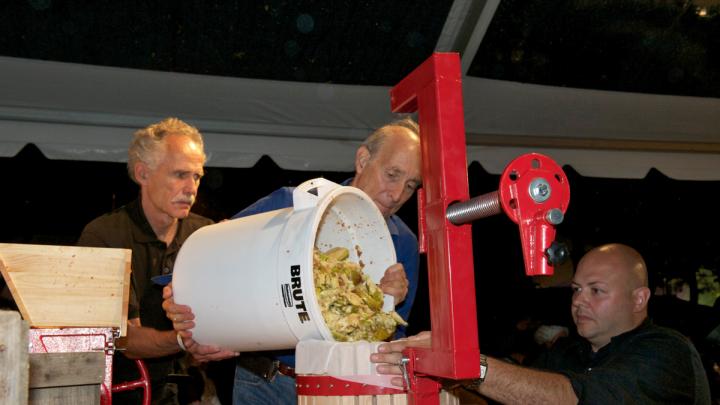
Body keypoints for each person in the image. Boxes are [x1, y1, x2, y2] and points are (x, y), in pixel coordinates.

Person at [162, 116, 423, 404]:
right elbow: (210, 259)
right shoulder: (291, 204)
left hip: (338, 389)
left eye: (411, 185)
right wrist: (177, 298)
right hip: (265, 384)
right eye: (392, 174)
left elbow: (394, 341)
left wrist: (387, 304)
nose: (398, 194)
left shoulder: (405, 244)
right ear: (362, 160)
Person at [371, 243, 711, 405]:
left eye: (596, 291)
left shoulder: (666, 351)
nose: (579, 300)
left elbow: (571, 398)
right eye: (577, 290)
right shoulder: (569, 354)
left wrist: (465, 365)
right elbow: (513, 394)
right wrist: (444, 381)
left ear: (639, 299)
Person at [77, 117, 214, 404]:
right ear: (142, 174)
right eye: (179, 174)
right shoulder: (104, 236)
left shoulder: (206, 235)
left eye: (197, 176)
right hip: (119, 393)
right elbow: (126, 339)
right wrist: (183, 341)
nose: (191, 188)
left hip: (188, 391)